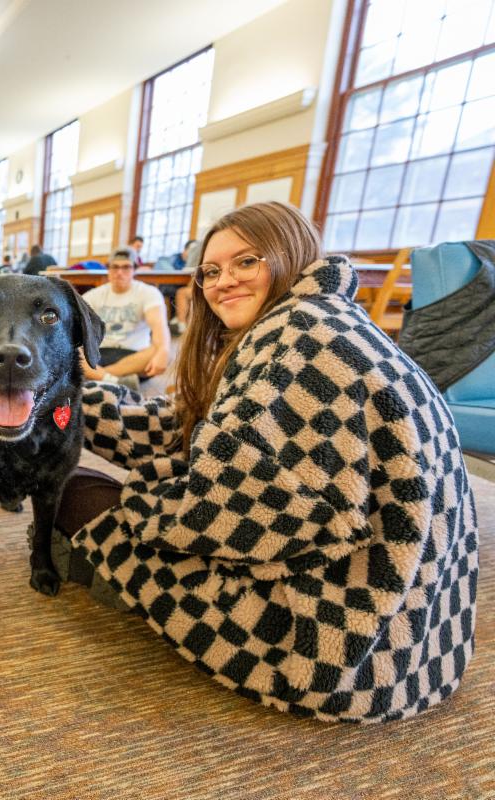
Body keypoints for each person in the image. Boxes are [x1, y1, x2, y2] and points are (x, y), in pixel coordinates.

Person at [60, 201, 479, 722]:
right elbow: (189, 433)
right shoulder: (318, 321)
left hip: (346, 647)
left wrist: (139, 496)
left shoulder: (299, 346)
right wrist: (68, 404)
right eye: (211, 271)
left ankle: (106, 572)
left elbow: (225, 518)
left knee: (76, 491)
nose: (222, 282)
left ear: (289, 254)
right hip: (426, 633)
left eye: (246, 262)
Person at [79, 248, 170, 385]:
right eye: (115, 267)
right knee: (73, 351)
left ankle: (101, 377)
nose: (119, 272)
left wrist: (163, 351)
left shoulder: (149, 293)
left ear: (134, 269)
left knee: (161, 349)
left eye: (126, 267)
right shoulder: (93, 295)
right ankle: (120, 382)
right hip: (99, 354)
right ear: (108, 269)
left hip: (135, 357)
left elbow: (159, 326)